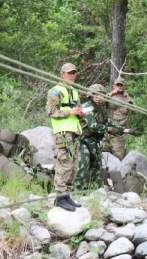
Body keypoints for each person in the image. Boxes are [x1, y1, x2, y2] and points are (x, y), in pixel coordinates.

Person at [46, 62, 85, 211]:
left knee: (74, 166)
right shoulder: (54, 91)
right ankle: (60, 197)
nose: (72, 75)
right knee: (64, 163)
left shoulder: (74, 91)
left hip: (75, 132)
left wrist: (81, 113)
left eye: (74, 73)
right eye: (69, 73)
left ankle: (67, 196)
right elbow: (51, 112)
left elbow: (76, 111)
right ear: (62, 74)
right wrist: (71, 112)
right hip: (63, 133)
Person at [74, 83, 125, 190]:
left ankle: (96, 191)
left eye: (101, 95)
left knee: (97, 167)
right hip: (83, 141)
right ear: (90, 96)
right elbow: (93, 126)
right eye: (96, 95)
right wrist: (109, 129)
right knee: (83, 165)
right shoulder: (86, 107)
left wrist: (123, 129)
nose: (99, 98)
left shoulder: (101, 109)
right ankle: (77, 191)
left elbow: (108, 121)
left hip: (95, 141)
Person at [105, 77, 133, 160]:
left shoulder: (127, 99)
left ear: (124, 87)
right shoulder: (108, 96)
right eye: (118, 85)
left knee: (118, 158)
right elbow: (101, 101)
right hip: (106, 132)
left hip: (119, 134)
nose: (119, 87)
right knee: (103, 156)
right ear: (114, 86)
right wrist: (111, 93)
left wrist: (127, 97)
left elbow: (132, 109)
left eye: (121, 85)